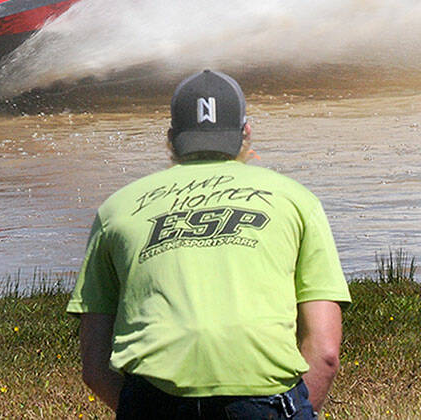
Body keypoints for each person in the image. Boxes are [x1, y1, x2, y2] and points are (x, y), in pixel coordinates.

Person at [67, 70, 350, 419]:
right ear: (246, 133)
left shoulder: (117, 209)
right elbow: (324, 352)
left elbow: (94, 366)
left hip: (153, 398)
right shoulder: (297, 201)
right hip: (264, 399)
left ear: (170, 139)